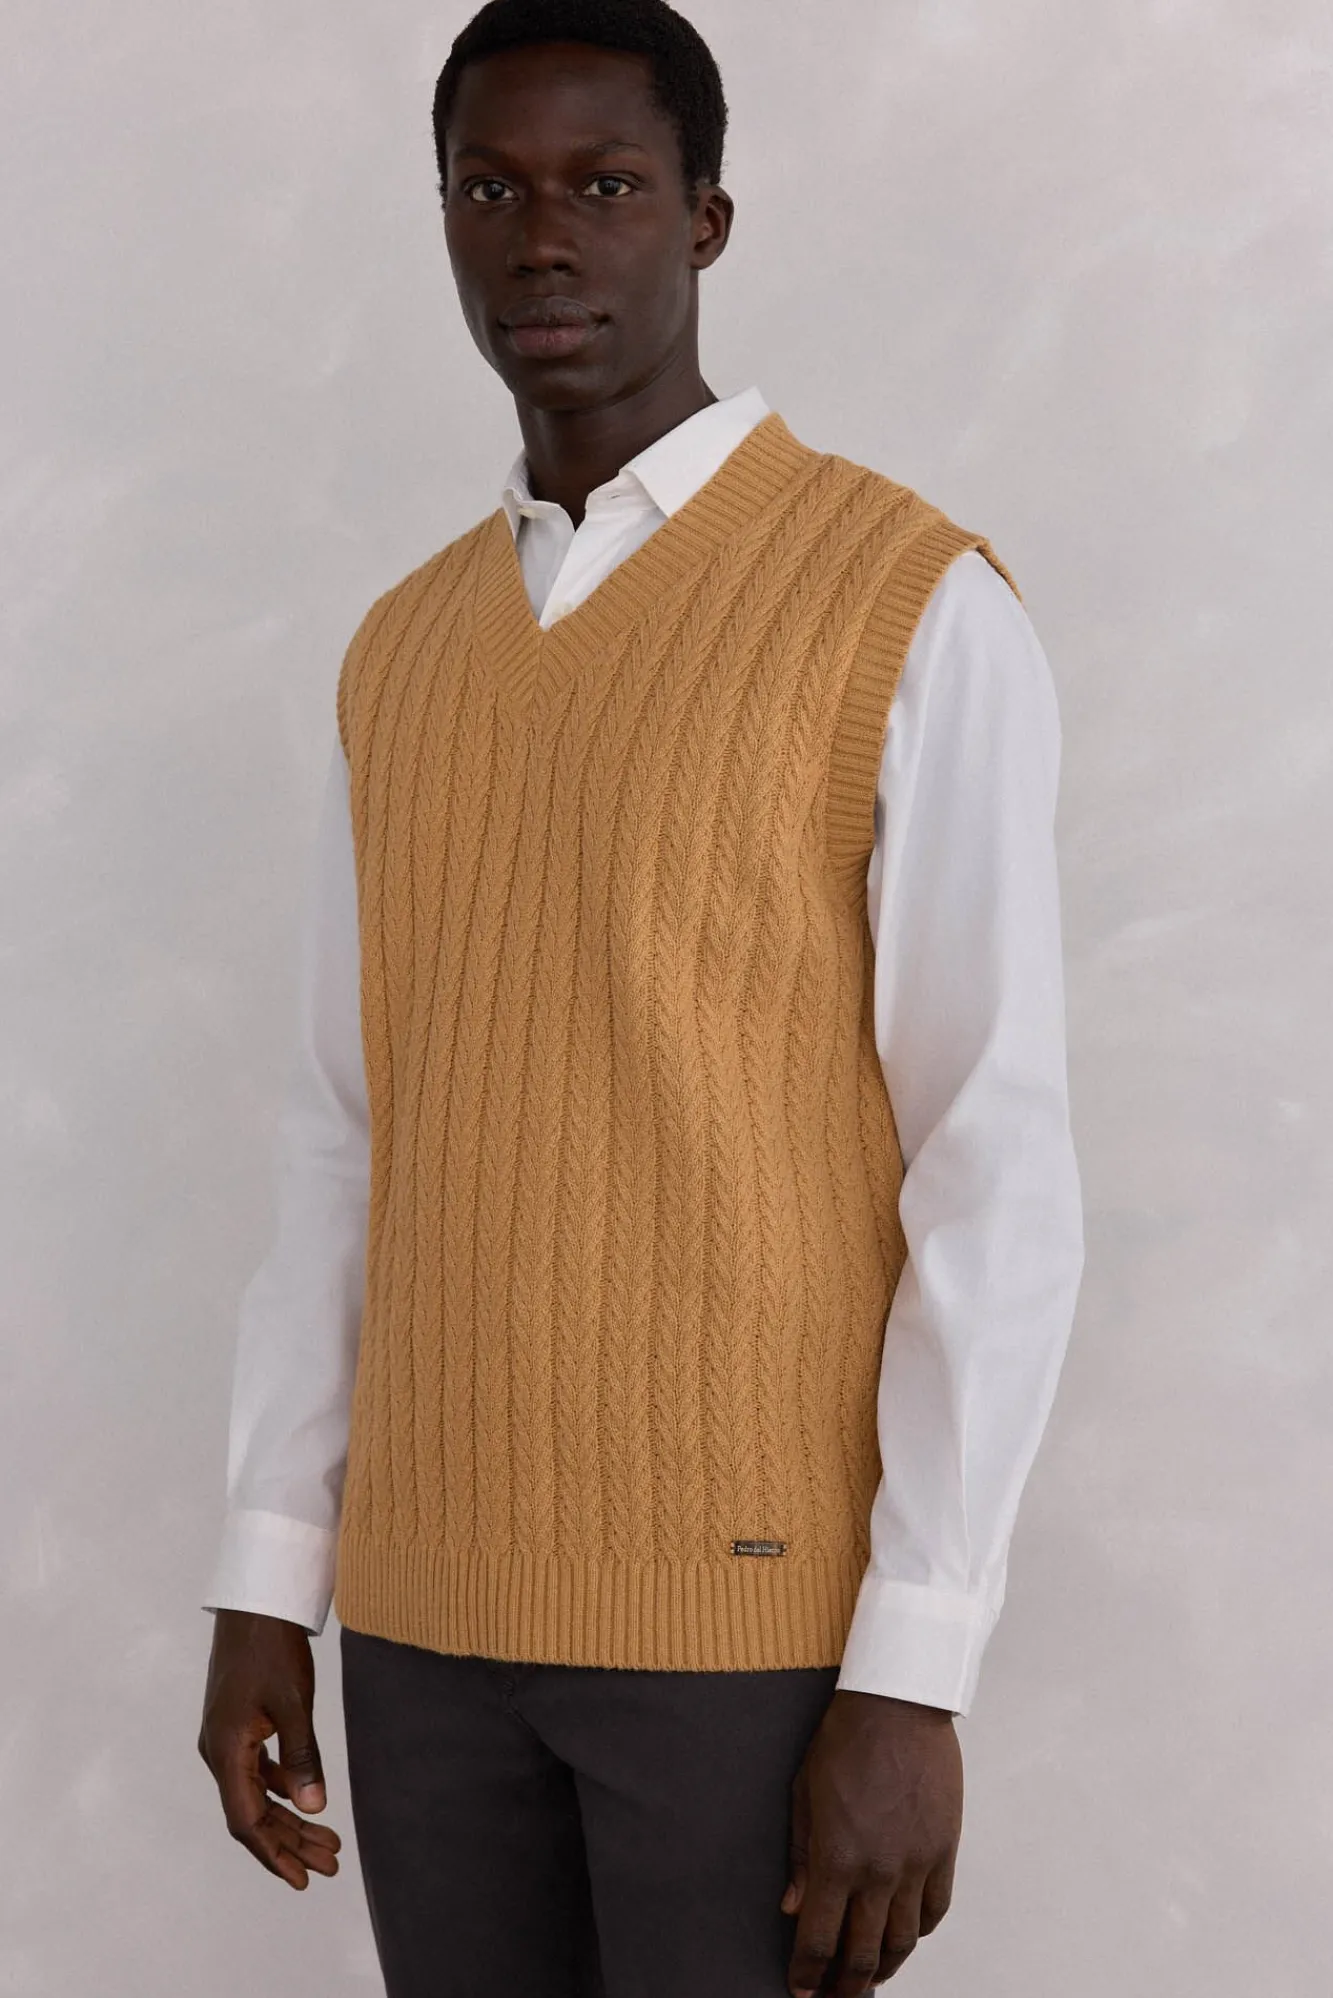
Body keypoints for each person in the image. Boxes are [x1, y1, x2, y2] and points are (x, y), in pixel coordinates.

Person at [197, 3, 1084, 1993]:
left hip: (742, 1635)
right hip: (420, 1625)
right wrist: (269, 1567)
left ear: (706, 218)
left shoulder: (905, 604)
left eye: (604, 184)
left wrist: (915, 1666)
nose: (541, 239)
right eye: (489, 189)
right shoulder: (403, 651)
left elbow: (993, 1164)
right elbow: (347, 1134)